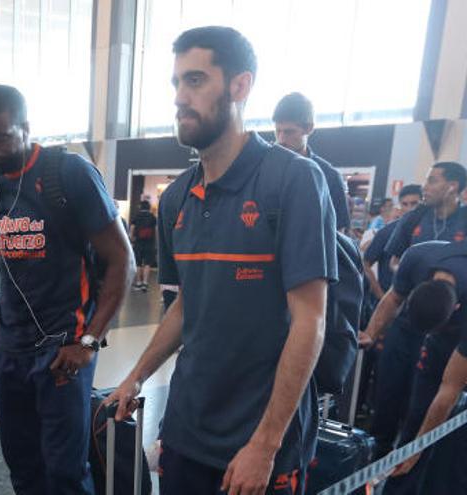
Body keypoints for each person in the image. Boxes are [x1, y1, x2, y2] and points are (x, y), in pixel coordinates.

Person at [107, 26, 336, 495]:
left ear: (240, 85)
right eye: (175, 84)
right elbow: (188, 304)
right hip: (187, 431)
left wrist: (265, 446)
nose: (179, 97)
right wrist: (136, 375)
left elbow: (310, 321)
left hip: (257, 440)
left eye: (195, 81)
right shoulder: (175, 199)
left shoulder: (293, 181)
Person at [0, 84, 134, 494]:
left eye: (1, 136)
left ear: (26, 128)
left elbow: (122, 261)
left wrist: (89, 342)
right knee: (22, 467)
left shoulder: (68, 174)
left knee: (65, 472)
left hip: (64, 348)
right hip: (9, 349)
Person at [368, 161, 467, 456]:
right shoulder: (415, 224)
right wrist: (371, 332)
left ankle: (415, 454)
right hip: (412, 315)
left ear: (452, 186)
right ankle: (377, 452)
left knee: (426, 395)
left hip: (450, 329)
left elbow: (451, 387)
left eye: (432, 180)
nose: (425, 187)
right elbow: (394, 287)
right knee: (389, 387)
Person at [359, 241, 467, 493]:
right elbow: (393, 298)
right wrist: (371, 333)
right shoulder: (417, 256)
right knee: (417, 415)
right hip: (441, 333)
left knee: (452, 437)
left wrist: (420, 447)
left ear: (456, 309)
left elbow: (449, 388)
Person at [273, 92, 350, 232]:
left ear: (309, 128)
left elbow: (338, 233)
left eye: (289, 132)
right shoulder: (264, 169)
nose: (281, 139)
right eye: (278, 131)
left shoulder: (329, 176)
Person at [363, 185, 422, 302]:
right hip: (392, 299)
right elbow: (365, 264)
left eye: (414, 203)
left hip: (421, 300)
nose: (410, 208)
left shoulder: (431, 230)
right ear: (400, 206)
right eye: (405, 204)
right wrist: (381, 296)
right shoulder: (387, 231)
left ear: (422, 203)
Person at [129, 200, 157, 292]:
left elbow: (132, 227)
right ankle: (145, 283)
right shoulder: (152, 216)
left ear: (141, 207)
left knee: (138, 263)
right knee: (148, 263)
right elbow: (156, 229)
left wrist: (131, 237)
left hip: (138, 242)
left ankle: (138, 283)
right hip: (150, 243)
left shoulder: (137, 216)